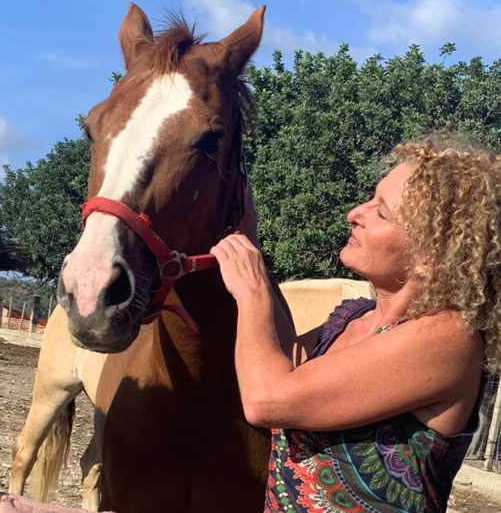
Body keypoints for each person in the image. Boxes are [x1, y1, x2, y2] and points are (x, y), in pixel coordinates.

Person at [212, 135, 501, 513]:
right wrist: (249, 245)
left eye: (381, 213)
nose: (355, 213)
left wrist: (251, 292)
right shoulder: (352, 317)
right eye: (370, 198)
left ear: (429, 256)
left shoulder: (448, 337)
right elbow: (280, 358)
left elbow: (266, 398)